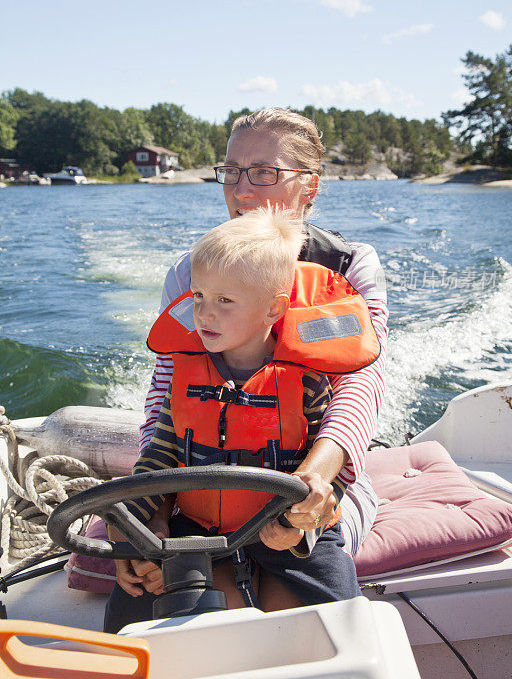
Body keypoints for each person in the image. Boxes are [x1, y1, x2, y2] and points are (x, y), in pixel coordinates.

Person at [120, 108, 387, 617]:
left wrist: (314, 481)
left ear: (308, 186)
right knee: (177, 594)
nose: (242, 190)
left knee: (299, 604)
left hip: (318, 474)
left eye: (264, 172)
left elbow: (361, 382)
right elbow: (166, 400)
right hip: (202, 475)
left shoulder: (350, 267)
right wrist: (152, 509)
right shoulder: (190, 274)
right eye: (232, 171)